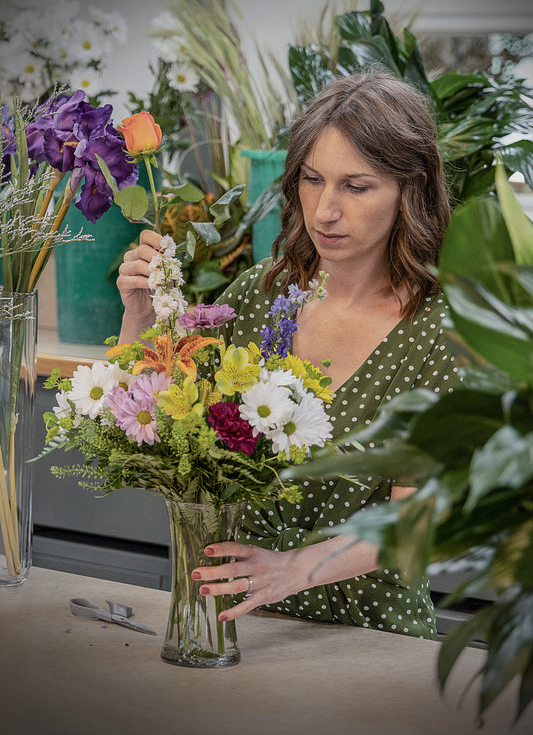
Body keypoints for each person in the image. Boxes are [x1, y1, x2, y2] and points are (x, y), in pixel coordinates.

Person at [117, 71, 459, 639]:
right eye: (312, 178)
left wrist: (294, 570)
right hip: (238, 626)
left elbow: (416, 519)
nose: (325, 210)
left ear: (410, 190)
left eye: (356, 186)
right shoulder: (260, 294)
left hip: (371, 641)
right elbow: (143, 433)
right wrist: (139, 318)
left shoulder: (440, 332)